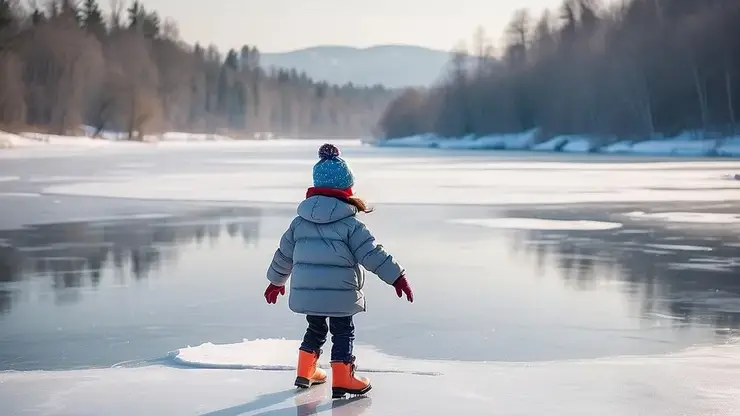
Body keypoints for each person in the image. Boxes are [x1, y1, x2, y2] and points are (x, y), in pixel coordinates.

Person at [263, 143, 414, 399]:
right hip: (341, 294)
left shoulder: (299, 223)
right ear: (346, 189)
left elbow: (284, 254)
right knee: (343, 331)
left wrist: (276, 281)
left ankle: (306, 370)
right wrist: (397, 276)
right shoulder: (350, 225)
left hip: (310, 294)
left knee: (315, 328)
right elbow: (372, 253)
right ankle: (343, 378)